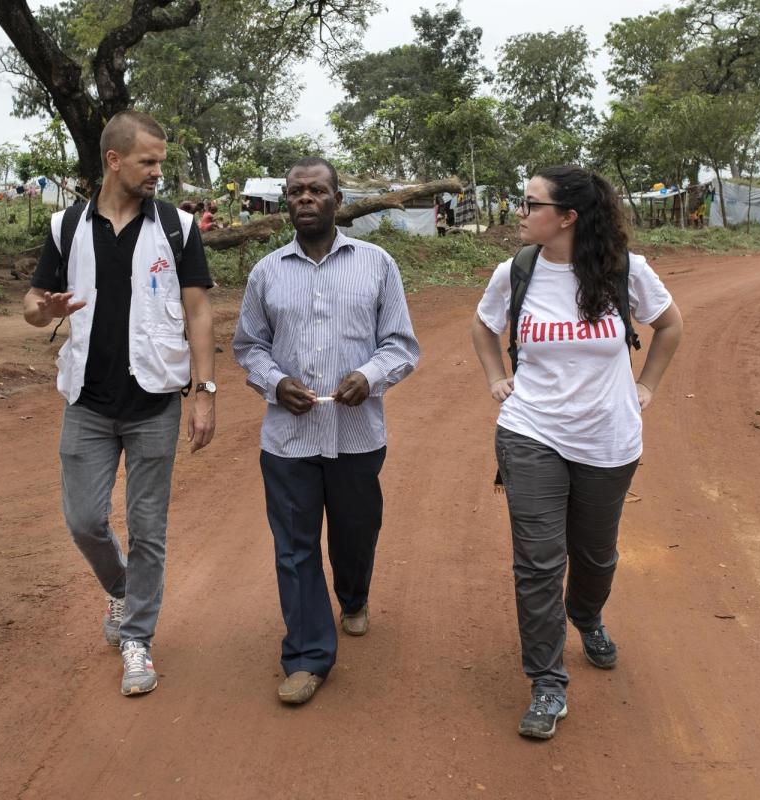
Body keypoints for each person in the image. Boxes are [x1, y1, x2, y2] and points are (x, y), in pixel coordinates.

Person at [470, 165, 682, 740]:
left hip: (608, 439)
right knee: (538, 562)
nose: (519, 210)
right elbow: (484, 328)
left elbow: (670, 326)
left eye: (530, 202)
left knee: (595, 556)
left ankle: (586, 614)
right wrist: (496, 378)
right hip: (530, 430)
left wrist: (646, 388)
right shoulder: (514, 272)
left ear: (567, 216)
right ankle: (547, 683)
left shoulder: (624, 272)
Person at [23, 110, 217, 697]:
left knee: (148, 527)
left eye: (161, 161)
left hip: (155, 399)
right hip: (87, 399)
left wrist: (203, 392)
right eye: (148, 161)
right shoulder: (67, 225)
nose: (158, 171)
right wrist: (44, 311)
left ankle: (137, 638)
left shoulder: (177, 227)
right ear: (115, 161)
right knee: (83, 520)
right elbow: (33, 303)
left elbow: (199, 310)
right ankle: (123, 590)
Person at [232, 156, 419, 706]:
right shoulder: (266, 272)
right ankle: (308, 655)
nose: (305, 199)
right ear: (285, 202)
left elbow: (401, 345)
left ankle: (354, 596)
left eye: (316, 190)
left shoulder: (377, 263)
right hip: (287, 442)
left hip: (357, 434)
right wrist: (274, 381)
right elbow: (248, 346)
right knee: (294, 547)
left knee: (355, 534)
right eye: (295, 192)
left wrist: (371, 375)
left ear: (339, 199)